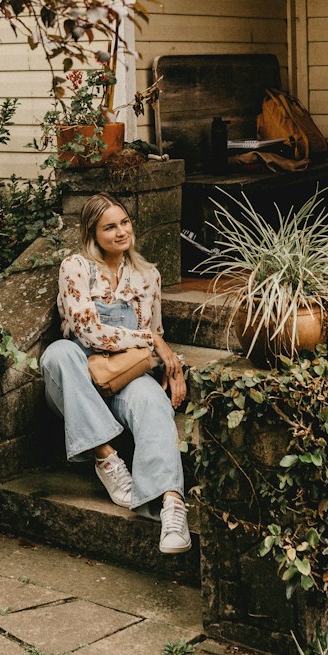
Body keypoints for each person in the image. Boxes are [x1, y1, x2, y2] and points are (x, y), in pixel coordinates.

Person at [40, 192, 191, 554]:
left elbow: (155, 338)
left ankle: (170, 506)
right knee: (57, 354)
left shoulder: (148, 275)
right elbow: (88, 331)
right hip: (78, 374)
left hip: (125, 375)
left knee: (152, 400)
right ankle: (106, 456)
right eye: (110, 227)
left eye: (124, 222)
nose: (121, 232)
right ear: (93, 233)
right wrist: (149, 340)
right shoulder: (75, 266)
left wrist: (171, 363)